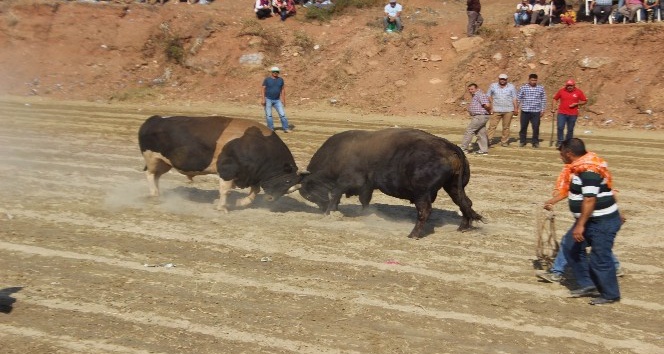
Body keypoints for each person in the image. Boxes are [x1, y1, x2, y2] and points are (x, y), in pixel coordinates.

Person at [553, 138, 624, 305]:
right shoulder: (580, 168)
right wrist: (552, 201)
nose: (561, 156)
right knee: (571, 246)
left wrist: (580, 225)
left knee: (600, 258)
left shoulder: (588, 172)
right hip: (593, 220)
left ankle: (610, 294)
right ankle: (588, 285)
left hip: (601, 222)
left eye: (562, 153)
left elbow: (590, 200)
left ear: (569, 153)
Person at [537, 160, 623, 283]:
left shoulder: (585, 172)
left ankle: (557, 273)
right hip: (594, 217)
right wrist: (552, 201)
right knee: (596, 244)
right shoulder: (591, 168)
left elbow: (603, 194)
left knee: (570, 242)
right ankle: (615, 266)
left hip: (593, 217)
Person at [551, 79, 587, 148]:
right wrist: (553, 107)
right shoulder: (561, 91)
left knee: (570, 129)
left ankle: (568, 143)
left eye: (571, 86)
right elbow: (555, 99)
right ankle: (560, 141)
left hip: (573, 114)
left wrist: (577, 104)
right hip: (562, 113)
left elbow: (584, 101)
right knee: (560, 127)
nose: (569, 87)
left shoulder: (578, 92)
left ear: (574, 86)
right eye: (568, 86)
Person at [486, 74, 518, 147]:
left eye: (504, 79)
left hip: (508, 109)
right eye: (501, 79)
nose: (502, 80)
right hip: (496, 109)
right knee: (492, 126)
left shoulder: (511, 87)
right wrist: (491, 104)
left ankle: (504, 141)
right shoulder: (493, 86)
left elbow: (514, 98)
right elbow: (488, 95)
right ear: (499, 79)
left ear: (507, 79)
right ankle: (488, 140)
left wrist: (516, 108)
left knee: (506, 127)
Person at [460, 83, 491, 155]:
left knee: (469, 131)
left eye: (472, 89)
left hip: (480, 116)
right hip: (481, 116)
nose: (471, 91)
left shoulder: (480, 94)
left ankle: (463, 149)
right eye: (469, 89)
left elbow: (487, 105)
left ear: (476, 88)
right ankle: (484, 150)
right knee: (481, 133)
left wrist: (489, 110)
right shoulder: (476, 95)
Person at [517, 73, 546, 148]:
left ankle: (535, 142)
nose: (533, 82)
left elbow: (543, 99)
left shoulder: (540, 88)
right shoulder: (523, 88)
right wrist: (516, 108)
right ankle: (522, 141)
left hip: (536, 111)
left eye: (535, 80)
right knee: (523, 126)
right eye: (532, 80)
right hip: (525, 110)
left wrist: (542, 110)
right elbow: (519, 98)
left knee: (536, 127)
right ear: (529, 80)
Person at [261, 66, 291, 133]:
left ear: (278, 73)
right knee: (269, 115)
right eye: (274, 72)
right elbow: (263, 89)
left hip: (277, 100)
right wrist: (263, 99)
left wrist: (283, 100)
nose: (275, 73)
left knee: (282, 114)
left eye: (277, 72)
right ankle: (270, 129)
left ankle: (286, 128)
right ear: (271, 72)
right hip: (268, 99)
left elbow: (282, 90)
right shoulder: (267, 80)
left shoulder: (281, 80)